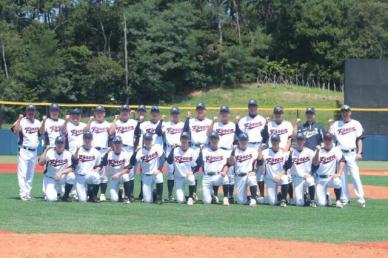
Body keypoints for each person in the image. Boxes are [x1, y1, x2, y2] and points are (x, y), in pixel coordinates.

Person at [329, 105, 366, 208]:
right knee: (342, 177)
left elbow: (359, 139)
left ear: (350, 112)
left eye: (347, 111)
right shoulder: (336, 124)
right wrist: (330, 125)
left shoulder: (356, 123)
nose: (345, 113)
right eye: (343, 111)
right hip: (340, 153)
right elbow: (329, 136)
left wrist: (360, 152)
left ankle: (361, 198)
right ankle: (344, 199)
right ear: (341, 113)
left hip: (352, 153)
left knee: (355, 176)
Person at [236, 99, 267, 204]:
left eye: (254, 106)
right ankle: (253, 195)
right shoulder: (243, 120)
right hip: (247, 145)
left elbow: (266, 134)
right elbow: (239, 134)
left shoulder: (262, 119)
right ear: (248, 107)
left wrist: (263, 147)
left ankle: (260, 195)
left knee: (260, 172)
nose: (253, 108)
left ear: (257, 107)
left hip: (258, 145)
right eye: (251, 106)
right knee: (248, 171)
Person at [207, 105, 236, 204]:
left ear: (229, 114)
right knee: (217, 172)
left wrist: (234, 151)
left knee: (230, 174)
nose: (224, 114)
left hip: (229, 151)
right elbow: (208, 134)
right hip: (218, 151)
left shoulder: (233, 125)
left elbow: (237, 137)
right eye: (222, 112)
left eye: (226, 112)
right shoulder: (216, 124)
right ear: (220, 114)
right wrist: (213, 122)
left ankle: (230, 196)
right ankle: (215, 195)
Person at [12, 105, 41, 201]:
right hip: (24, 150)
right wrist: (19, 119)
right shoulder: (22, 121)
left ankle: (28, 193)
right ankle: (22, 193)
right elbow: (15, 131)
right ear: (26, 111)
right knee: (22, 173)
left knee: (30, 174)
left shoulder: (37, 122)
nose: (31, 112)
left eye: (32, 110)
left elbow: (41, 132)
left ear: (35, 111)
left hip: (34, 151)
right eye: (29, 110)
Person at [109, 105, 137, 201]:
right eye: (123, 111)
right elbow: (111, 132)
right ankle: (119, 191)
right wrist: (115, 119)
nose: (124, 112)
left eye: (126, 111)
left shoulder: (134, 122)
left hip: (129, 149)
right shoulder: (117, 122)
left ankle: (129, 195)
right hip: (118, 148)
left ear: (129, 112)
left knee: (130, 173)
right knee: (117, 170)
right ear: (120, 112)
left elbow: (138, 134)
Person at [266, 106, 294, 203]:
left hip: (284, 151)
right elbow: (265, 136)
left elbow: (290, 138)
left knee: (287, 175)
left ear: (283, 114)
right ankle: (278, 194)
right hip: (272, 151)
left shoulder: (287, 124)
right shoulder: (270, 124)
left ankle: (289, 197)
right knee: (274, 172)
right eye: (277, 113)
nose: (278, 115)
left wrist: (285, 150)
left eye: (280, 113)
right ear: (274, 114)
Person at [85, 105, 112, 201]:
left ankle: (103, 194)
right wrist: (89, 121)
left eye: (101, 112)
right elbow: (85, 131)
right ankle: (91, 194)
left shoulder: (108, 124)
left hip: (103, 150)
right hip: (92, 151)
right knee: (91, 172)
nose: (99, 114)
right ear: (95, 114)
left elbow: (112, 132)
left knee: (103, 174)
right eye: (97, 112)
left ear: (104, 114)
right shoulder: (92, 124)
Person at [195, 132, 230, 205]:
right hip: (207, 177)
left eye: (216, 139)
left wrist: (224, 171)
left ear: (218, 140)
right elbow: (199, 163)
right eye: (212, 139)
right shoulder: (204, 151)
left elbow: (227, 164)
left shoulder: (223, 152)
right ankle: (213, 195)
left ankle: (226, 197)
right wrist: (200, 151)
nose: (214, 141)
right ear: (209, 140)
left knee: (225, 178)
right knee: (207, 202)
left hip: (217, 176)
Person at [130, 132, 165, 204]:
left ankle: (159, 197)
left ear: (152, 140)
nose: (147, 141)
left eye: (149, 139)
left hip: (155, 173)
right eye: (146, 140)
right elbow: (132, 162)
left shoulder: (156, 147)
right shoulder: (140, 151)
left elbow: (162, 157)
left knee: (159, 176)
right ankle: (154, 193)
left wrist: (159, 169)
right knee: (147, 201)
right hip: (146, 176)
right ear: (143, 141)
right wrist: (135, 152)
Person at [312, 132, 345, 208]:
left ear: (332, 140)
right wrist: (317, 152)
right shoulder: (319, 150)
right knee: (321, 204)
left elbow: (342, 161)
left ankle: (337, 201)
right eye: (326, 139)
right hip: (320, 179)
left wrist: (339, 173)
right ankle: (326, 196)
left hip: (331, 177)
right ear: (323, 140)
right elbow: (315, 163)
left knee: (337, 181)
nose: (327, 141)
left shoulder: (336, 150)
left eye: (329, 139)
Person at [38, 136, 75, 202]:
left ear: (64, 144)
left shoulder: (68, 154)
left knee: (71, 176)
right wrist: (45, 150)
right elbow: (40, 163)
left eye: (61, 143)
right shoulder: (49, 152)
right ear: (55, 144)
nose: (60, 145)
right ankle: (55, 192)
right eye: (58, 143)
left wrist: (61, 173)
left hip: (61, 177)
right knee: (51, 199)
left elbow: (71, 168)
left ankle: (66, 196)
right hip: (50, 178)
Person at [259, 134, 292, 207]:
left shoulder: (283, 152)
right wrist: (260, 150)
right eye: (273, 140)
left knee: (285, 178)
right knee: (272, 202)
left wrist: (279, 176)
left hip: (280, 176)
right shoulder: (265, 152)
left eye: (276, 140)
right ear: (271, 141)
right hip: (270, 178)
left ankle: (283, 199)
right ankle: (279, 195)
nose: (275, 142)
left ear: (279, 141)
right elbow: (259, 161)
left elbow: (287, 167)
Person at [166, 132, 198, 205]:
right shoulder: (175, 150)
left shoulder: (192, 151)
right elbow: (169, 161)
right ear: (180, 140)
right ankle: (192, 195)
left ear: (189, 140)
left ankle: (191, 197)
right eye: (183, 138)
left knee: (191, 178)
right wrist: (172, 149)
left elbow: (196, 165)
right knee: (180, 200)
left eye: (186, 138)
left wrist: (192, 172)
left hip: (187, 176)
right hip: (178, 178)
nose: (184, 140)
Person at [229, 132, 259, 206]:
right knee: (241, 201)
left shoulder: (252, 150)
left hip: (248, 174)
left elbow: (257, 161)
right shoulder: (234, 151)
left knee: (252, 179)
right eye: (241, 140)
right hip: (239, 176)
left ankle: (254, 198)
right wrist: (232, 152)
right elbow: (231, 163)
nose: (243, 142)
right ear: (238, 141)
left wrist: (254, 171)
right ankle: (250, 198)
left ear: (248, 140)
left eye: (245, 140)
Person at [100, 136, 132, 203]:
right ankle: (120, 192)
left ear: (122, 144)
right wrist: (106, 153)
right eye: (115, 143)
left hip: (121, 175)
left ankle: (126, 197)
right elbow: (103, 163)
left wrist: (119, 174)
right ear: (113, 144)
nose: (117, 145)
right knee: (114, 200)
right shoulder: (109, 154)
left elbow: (128, 169)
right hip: (113, 177)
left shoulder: (125, 154)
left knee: (126, 177)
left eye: (119, 143)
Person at [162, 107, 184, 201]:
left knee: (181, 172)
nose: (175, 115)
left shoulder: (183, 125)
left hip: (179, 150)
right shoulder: (166, 124)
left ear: (179, 114)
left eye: (176, 113)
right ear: (171, 115)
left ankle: (182, 192)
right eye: (173, 113)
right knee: (170, 172)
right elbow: (159, 132)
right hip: (169, 149)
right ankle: (170, 194)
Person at [73, 131, 102, 203]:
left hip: (89, 175)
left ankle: (93, 196)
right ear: (83, 139)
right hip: (79, 176)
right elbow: (74, 161)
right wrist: (77, 150)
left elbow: (98, 165)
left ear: (92, 139)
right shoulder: (78, 149)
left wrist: (97, 170)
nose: (87, 140)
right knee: (82, 200)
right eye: (86, 138)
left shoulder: (96, 152)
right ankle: (88, 192)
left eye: (89, 138)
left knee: (96, 176)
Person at [290, 133, 316, 207]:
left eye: (301, 139)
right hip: (297, 178)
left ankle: (312, 200)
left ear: (304, 141)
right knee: (299, 203)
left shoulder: (310, 152)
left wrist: (310, 174)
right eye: (298, 139)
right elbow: (287, 165)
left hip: (307, 176)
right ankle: (305, 195)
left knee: (310, 180)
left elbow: (315, 165)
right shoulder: (292, 153)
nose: (299, 141)